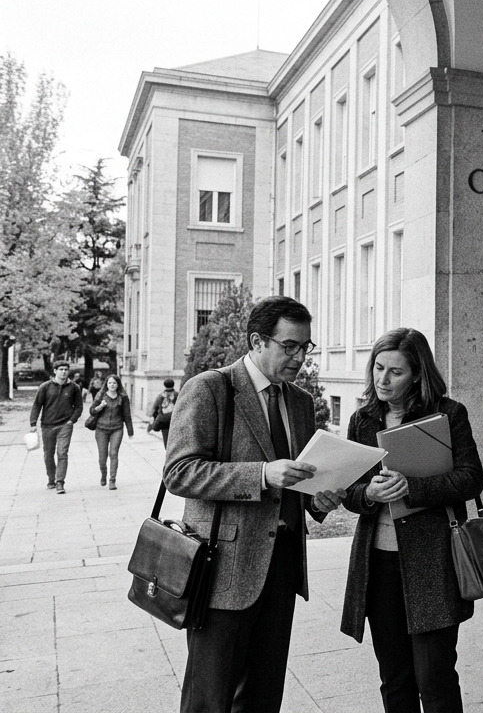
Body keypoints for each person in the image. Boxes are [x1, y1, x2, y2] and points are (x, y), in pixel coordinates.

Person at [163, 295, 345, 712]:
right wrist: (261, 475)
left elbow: (296, 479)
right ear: (257, 341)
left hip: (281, 567)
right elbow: (180, 472)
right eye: (290, 346)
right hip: (223, 570)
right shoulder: (211, 388)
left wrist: (319, 499)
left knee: (264, 696)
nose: (300, 357)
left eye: (306, 347)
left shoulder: (298, 401)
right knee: (210, 698)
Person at [341, 327, 483, 713]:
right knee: (395, 678)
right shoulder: (362, 419)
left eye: (396, 372)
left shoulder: (448, 414)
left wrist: (412, 488)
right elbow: (348, 490)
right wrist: (367, 494)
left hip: (432, 560)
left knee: (434, 677)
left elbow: (471, 478)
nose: (382, 380)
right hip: (378, 562)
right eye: (378, 368)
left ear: (418, 373)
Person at [29, 362, 83, 494]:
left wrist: (72, 420)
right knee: (48, 454)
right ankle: (51, 479)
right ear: (55, 371)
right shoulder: (45, 387)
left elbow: (79, 407)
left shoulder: (74, 388)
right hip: (47, 425)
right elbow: (37, 405)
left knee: (62, 453)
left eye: (66, 370)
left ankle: (60, 482)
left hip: (65, 425)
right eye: (61, 369)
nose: (64, 372)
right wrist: (32, 423)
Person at [89, 374, 135, 490]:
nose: (112, 385)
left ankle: (112, 479)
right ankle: (104, 475)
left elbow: (127, 415)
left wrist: (130, 431)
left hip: (117, 428)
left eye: (114, 383)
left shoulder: (123, 397)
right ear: (106, 384)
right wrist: (100, 406)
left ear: (118, 384)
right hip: (101, 429)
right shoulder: (101, 395)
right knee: (102, 457)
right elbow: (92, 411)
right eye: (110, 383)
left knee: (113, 453)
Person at [148, 378, 178, 445]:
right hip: (175, 421)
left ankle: (168, 452)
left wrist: (152, 420)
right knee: (175, 440)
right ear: (173, 385)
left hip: (163, 421)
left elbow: (155, 409)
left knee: (166, 440)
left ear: (164, 385)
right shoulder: (177, 395)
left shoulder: (161, 396)